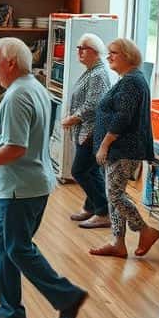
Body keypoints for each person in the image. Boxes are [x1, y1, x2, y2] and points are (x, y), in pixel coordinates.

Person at [0, 37, 87, 318]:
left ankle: (66, 296)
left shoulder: (18, 96)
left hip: (21, 188)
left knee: (17, 248)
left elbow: (16, 147)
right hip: (27, 185)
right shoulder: (33, 87)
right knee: (2, 246)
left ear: (11, 63)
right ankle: (10, 312)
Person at [91, 37, 159, 258]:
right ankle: (118, 242)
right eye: (108, 52)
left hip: (123, 148)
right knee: (114, 194)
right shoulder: (129, 78)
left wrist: (104, 145)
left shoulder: (132, 81)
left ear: (128, 56)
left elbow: (123, 117)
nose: (108, 56)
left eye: (114, 52)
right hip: (120, 148)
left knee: (114, 195)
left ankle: (145, 230)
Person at [62, 33, 113, 229]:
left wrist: (73, 118)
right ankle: (91, 206)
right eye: (78, 47)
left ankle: (103, 211)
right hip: (86, 129)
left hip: (92, 131)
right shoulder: (92, 71)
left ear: (95, 52)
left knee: (80, 170)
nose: (79, 51)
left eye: (83, 48)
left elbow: (94, 103)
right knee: (92, 170)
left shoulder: (99, 73)